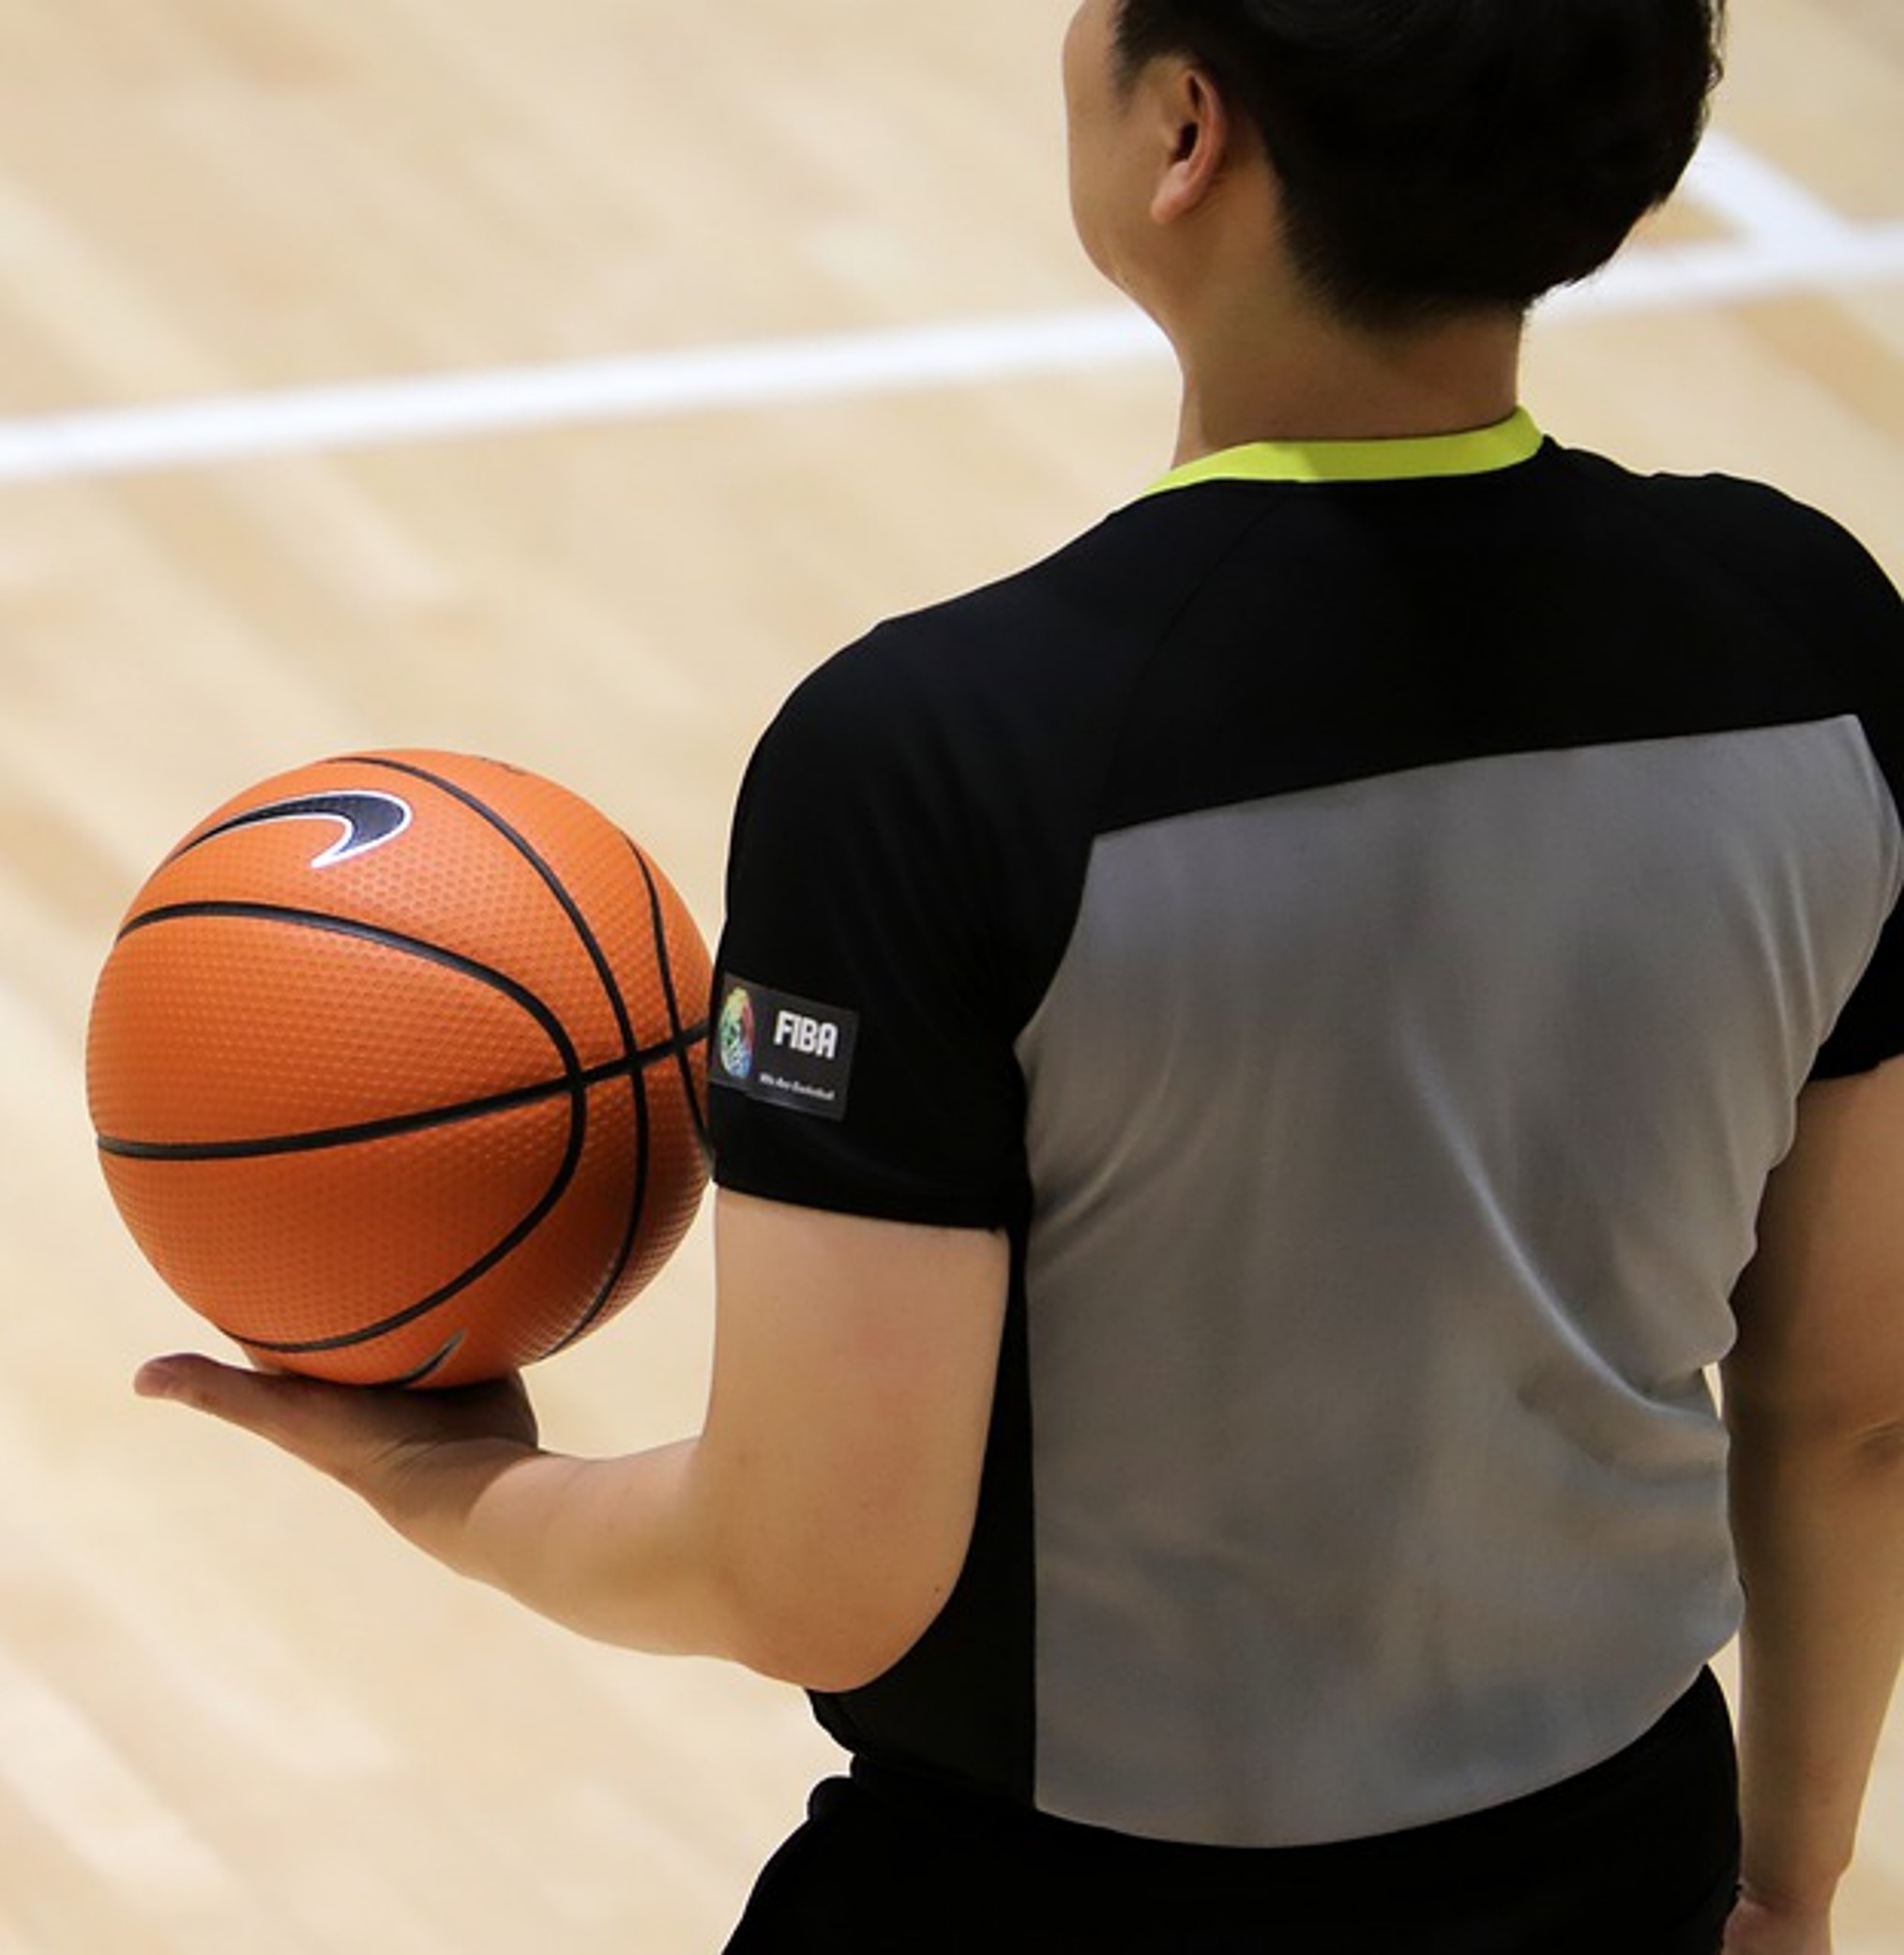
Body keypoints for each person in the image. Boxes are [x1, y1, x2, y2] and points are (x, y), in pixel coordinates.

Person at [135, 2, 1904, 1950]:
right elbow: (1848, 1408)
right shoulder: (1811, 638)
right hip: (1610, 1864)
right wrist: (1779, 1883)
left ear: (1185, 133)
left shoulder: (932, 760)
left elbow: (812, 1569)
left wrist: (441, 1484)